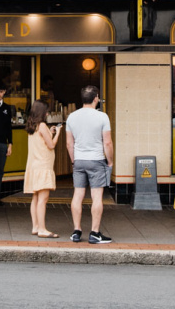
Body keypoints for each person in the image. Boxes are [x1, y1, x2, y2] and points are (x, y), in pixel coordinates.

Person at [66, 85, 113, 244]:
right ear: (96, 98)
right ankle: (95, 233)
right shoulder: (102, 117)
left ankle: (76, 231)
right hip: (97, 160)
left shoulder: (72, 117)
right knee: (96, 197)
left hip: (79, 160)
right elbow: (107, 142)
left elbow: (68, 143)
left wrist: (74, 160)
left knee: (77, 195)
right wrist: (110, 161)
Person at [24, 99, 61, 238]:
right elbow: (51, 145)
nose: (47, 113)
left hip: (33, 165)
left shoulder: (32, 126)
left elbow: (41, 141)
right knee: (43, 200)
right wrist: (57, 133)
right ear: (42, 112)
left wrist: (50, 132)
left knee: (35, 198)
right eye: (46, 110)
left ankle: (35, 227)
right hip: (43, 166)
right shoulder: (42, 125)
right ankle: (42, 229)